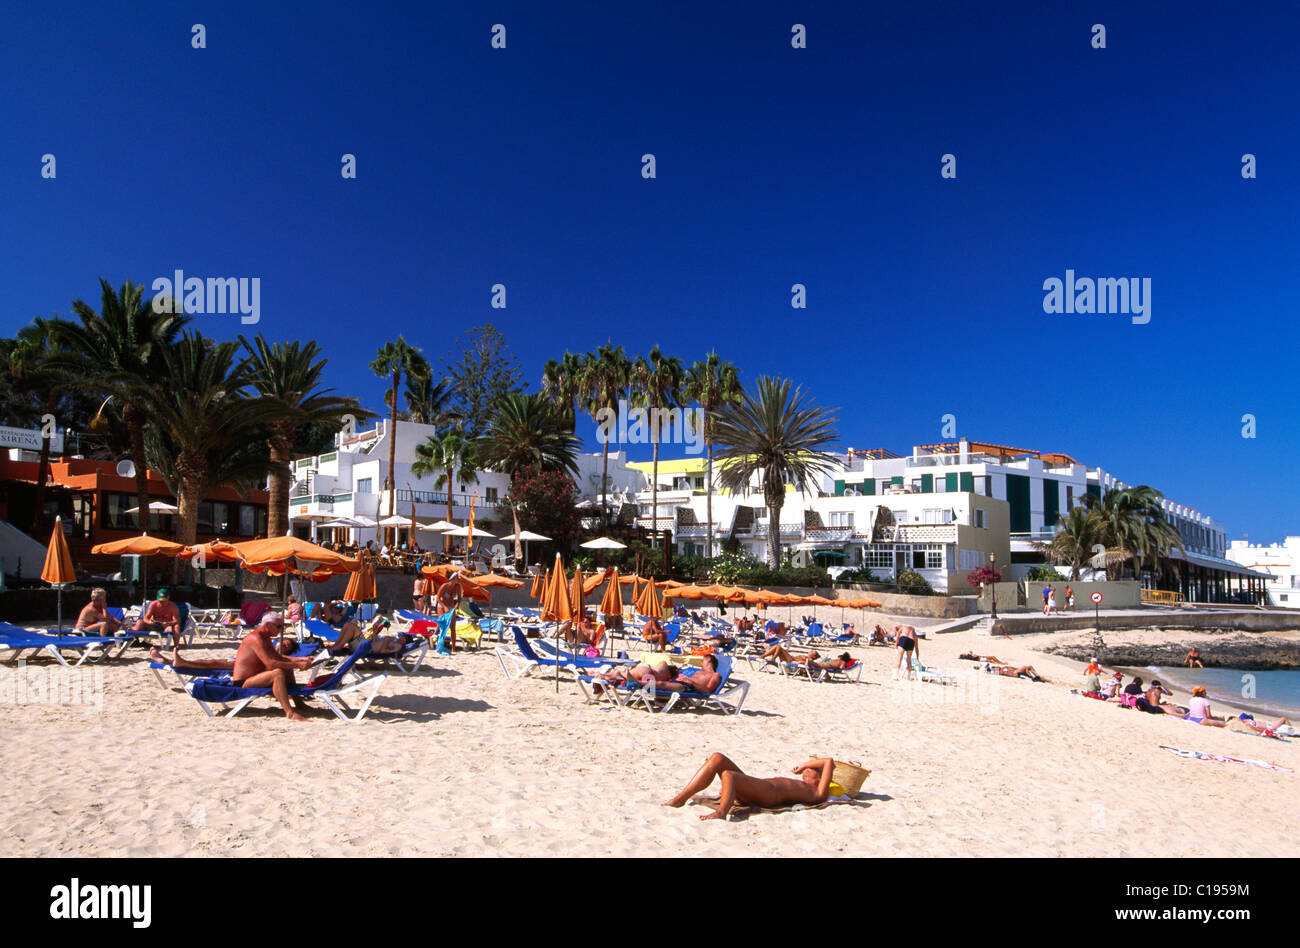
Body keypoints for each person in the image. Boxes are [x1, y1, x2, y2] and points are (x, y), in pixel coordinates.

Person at [662, 753, 836, 821]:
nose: (806, 771)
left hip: (769, 795)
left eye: (811, 771)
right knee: (717, 758)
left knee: (729, 775)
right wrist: (803, 769)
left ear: (820, 779)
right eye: (806, 770)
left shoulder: (818, 793)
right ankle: (681, 798)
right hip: (760, 786)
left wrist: (804, 764)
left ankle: (721, 812)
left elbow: (829, 761)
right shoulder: (805, 784)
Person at [230, 612, 317, 721]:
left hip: (256, 676)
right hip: (243, 682)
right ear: (267, 625)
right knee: (277, 673)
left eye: (282, 626)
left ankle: (299, 703)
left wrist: (303, 659)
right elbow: (270, 663)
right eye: (279, 626)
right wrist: (298, 664)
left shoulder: (265, 637)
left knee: (287, 668)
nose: (281, 629)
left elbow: (278, 657)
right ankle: (289, 713)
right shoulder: (255, 638)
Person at [437, 572, 464, 650]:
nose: (459, 579)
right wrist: (444, 607)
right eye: (457, 577)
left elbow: (459, 598)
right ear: (452, 578)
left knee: (453, 627)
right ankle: (440, 645)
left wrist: (457, 604)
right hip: (441, 606)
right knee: (443, 627)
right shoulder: (444, 586)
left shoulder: (457, 586)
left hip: (450, 606)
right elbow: (438, 598)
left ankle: (453, 648)